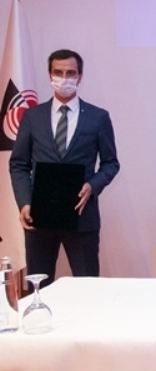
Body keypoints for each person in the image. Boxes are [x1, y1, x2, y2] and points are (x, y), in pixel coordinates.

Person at [9, 49, 120, 287]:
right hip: (39, 217)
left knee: (87, 287)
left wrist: (93, 185)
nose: (64, 78)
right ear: (50, 75)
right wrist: (25, 203)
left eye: (70, 73)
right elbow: (18, 164)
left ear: (80, 76)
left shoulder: (98, 117)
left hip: (81, 215)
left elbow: (111, 163)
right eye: (58, 73)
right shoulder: (32, 116)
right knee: (39, 287)